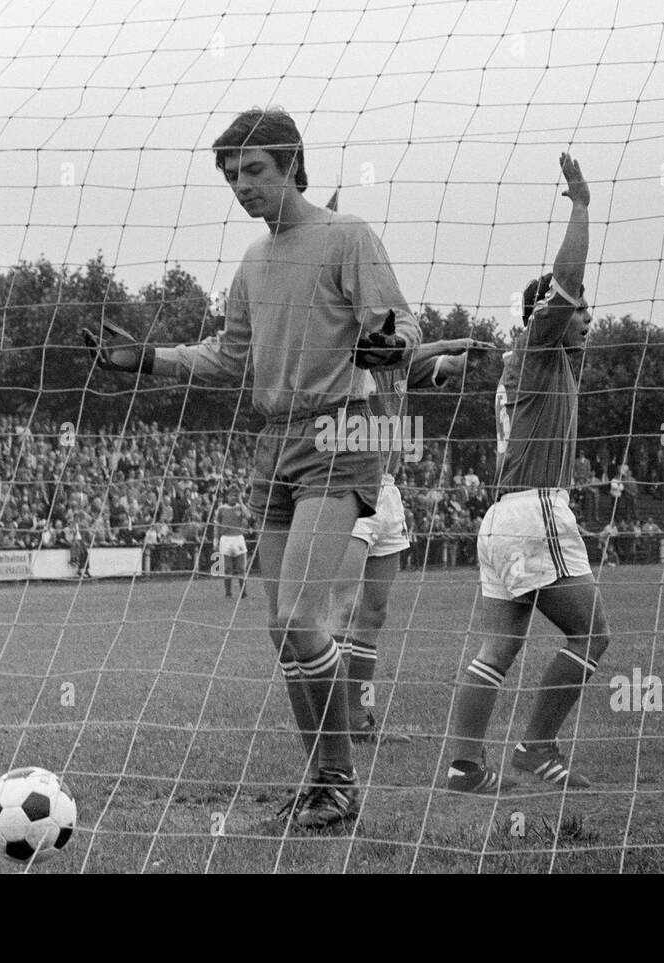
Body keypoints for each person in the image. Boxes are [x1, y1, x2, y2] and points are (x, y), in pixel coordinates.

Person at [83, 107, 419, 830]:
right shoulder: (252, 261)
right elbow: (229, 357)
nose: (242, 185)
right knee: (280, 626)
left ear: (294, 164)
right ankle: (324, 777)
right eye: (232, 175)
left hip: (341, 432)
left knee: (302, 614)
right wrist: (146, 358)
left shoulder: (346, 235)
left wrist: (391, 341)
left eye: (255, 170)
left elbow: (399, 324)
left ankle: (338, 779)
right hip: (275, 443)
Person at [445, 151, 608, 793]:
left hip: (505, 517)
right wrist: (581, 205)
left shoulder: (548, 366)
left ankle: (464, 767)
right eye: (582, 308)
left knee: (500, 647)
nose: (589, 316)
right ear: (550, 316)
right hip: (536, 511)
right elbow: (567, 280)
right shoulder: (540, 348)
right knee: (593, 635)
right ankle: (536, 746)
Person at [327, 338, 478, 743]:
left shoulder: (402, 367)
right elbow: (412, 352)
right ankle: (331, 720)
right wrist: (447, 342)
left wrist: (469, 357)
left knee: (374, 614)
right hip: (348, 484)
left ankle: (359, 716)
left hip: (389, 491)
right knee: (341, 609)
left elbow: (446, 367)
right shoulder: (348, 358)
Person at [213, 488, 251, 599]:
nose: (233, 497)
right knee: (227, 569)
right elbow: (217, 525)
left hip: (238, 538)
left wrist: (241, 501)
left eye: (235, 495)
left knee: (241, 569)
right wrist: (215, 539)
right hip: (226, 539)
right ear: (227, 496)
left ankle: (243, 592)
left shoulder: (240, 507)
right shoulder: (221, 509)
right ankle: (228, 593)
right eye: (231, 495)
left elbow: (249, 517)